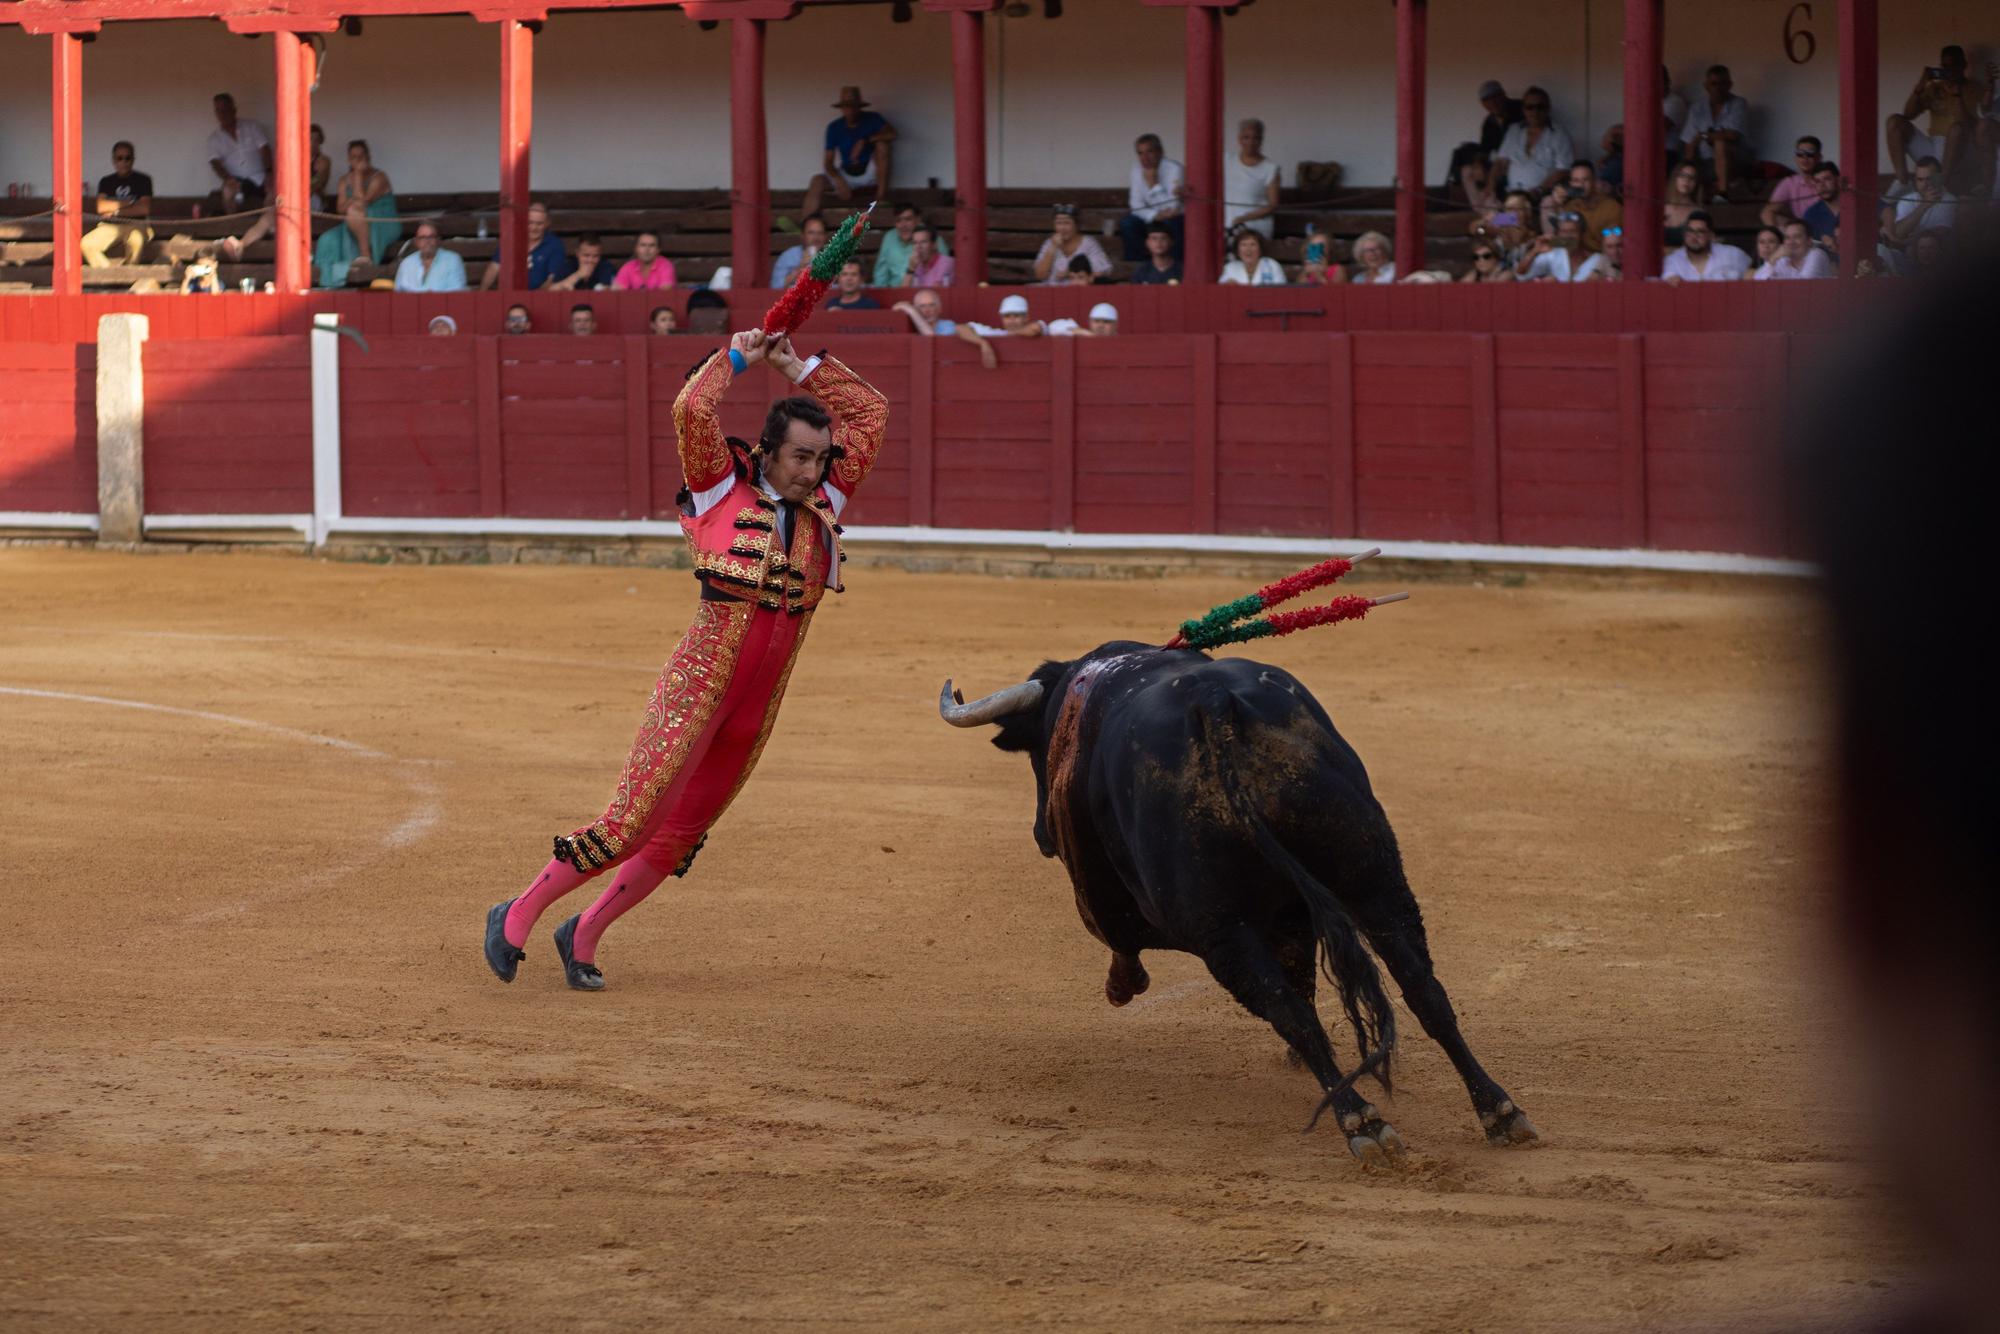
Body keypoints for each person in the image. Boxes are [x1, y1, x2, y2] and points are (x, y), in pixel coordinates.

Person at [483, 327, 889, 991]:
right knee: (629, 826)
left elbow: (869, 413)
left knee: (680, 837)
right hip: (696, 692)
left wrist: (798, 366)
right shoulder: (717, 487)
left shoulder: (825, 503)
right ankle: (517, 912)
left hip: (756, 712)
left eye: (820, 459)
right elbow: (690, 411)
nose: (812, 472)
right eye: (799, 458)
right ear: (768, 452)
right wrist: (738, 357)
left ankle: (582, 935)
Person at [1885, 45, 1983, 190]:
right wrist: (1921, 85)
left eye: (1953, 66)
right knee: (1894, 122)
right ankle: (1903, 182)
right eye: (1944, 66)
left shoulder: (1974, 88)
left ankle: (1940, 185)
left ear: (1963, 65)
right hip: (1934, 145)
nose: (1948, 71)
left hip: (1961, 148)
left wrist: (1956, 96)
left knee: (1957, 128)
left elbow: (1970, 125)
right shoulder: (1935, 88)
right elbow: (1908, 114)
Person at [313, 140, 399, 288]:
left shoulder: (379, 177)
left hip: (381, 222)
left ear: (368, 156)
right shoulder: (344, 180)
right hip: (353, 221)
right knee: (326, 239)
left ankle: (366, 255)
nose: (358, 160)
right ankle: (326, 281)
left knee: (354, 211)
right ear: (348, 159)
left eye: (361, 156)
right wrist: (352, 200)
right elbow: (340, 208)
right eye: (354, 157)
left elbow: (362, 203)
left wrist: (358, 175)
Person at [802, 86, 894, 220]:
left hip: (870, 173)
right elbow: (828, 163)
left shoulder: (873, 118)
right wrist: (838, 180)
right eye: (846, 107)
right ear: (841, 108)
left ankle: (881, 198)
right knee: (817, 181)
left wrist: (867, 140)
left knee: (882, 146)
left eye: (853, 106)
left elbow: (893, 134)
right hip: (847, 174)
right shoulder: (834, 127)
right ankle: (806, 223)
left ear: (860, 107)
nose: (850, 111)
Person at [1680, 64, 1752, 202]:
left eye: (1723, 83)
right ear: (1706, 86)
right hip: (1706, 163)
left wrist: (1702, 136)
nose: (1718, 88)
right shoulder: (1697, 107)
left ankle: (1722, 192)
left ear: (1730, 85)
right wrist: (1689, 169)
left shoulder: (1738, 103)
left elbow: (1732, 135)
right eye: (1714, 83)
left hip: (1736, 161)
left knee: (1720, 143)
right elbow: (1689, 142)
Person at [1878, 156, 1958, 274]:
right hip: (1909, 261)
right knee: (1880, 251)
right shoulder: (1907, 200)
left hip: (1940, 263)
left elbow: (1938, 238)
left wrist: (1902, 240)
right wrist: (1924, 205)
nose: (1924, 184)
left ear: (1939, 178)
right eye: (1920, 180)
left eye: (1929, 179)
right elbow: (1899, 232)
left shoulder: (1950, 200)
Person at [80, 142, 153, 269]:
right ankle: (110, 275)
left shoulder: (143, 180)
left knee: (136, 241)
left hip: (136, 224)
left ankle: (129, 276)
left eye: (127, 158)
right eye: (120, 158)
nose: (124, 162)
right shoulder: (106, 181)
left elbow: (143, 209)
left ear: (133, 160)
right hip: (110, 226)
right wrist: (131, 203)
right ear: (113, 160)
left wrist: (115, 211)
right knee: (86, 244)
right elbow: (101, 207)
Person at [1447, 80, 1524, 201]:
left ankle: (1498, 217)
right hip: (1500, 163)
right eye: (1487, 100)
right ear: (1483, 103)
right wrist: (1478, 164)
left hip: (1522, 163)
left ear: (1503, 95)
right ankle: (1487, 214)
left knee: (1498, 181)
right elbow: (1485, 150)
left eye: (1495, 97)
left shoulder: (1522, 111)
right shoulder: (1489, 122)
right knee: (1468, 171)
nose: (1493, 103)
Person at [1493, 87, 1574, 196]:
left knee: (1544, 209)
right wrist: (1490, 187)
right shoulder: (1514, 130)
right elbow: (1500, 162)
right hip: (1512, 194)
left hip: (1544, 196)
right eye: (1529, 107)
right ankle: (1508, 212)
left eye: (1540, 107)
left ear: (1548, 108)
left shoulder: (1559, 134)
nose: (1535, 111)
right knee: (1490, 209)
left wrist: (1539, 190)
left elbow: (1564, 170)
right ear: (1523, 109)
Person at [479, 201, 571, 292]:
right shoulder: (511, 241)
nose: (534, 227)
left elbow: (552, 279)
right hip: (508, 296)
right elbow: (494, 268)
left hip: (540, 299)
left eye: (539, 224)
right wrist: (481, 295)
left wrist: (532, 299)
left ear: (547, 223)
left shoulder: (555, 245)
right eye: (530, 223)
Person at [1119, 133, 1184, 261]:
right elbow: (1136, 205)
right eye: (1140, 153)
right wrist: (1154, 215)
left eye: (1149, 152)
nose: (1145, 158)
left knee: (1170, 224)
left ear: (1160, 152)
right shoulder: (1136, 169)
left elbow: (1171, 207)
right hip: (1152, 217)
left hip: (1175, 219)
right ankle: (1138, 267)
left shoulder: (1174, 169)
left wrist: (1153, 184)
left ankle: (1175, 267)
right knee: (1127, 223)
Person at [206, 92, 271, 216]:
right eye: (219, 110)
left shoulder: (252, 127)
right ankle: (233, 229)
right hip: (236, 180)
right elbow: (215, 163)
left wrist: (269, 173)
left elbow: (265, 149)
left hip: (260, 177)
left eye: (225, 109)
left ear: (234, 109)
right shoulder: (214, 139)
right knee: (227, 192)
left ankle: (267, 228)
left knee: (275, 191)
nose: (223, 113)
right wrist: (228, 179)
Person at [1224, 118, 1281, 240]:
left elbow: (1272, 205)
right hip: (1227, 224)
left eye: (1256, 138)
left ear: (1261, 140)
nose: (1250, 142)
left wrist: (1244, 218)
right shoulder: (1226, 160)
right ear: (1239, 139)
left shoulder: (1270, 168)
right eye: (1246, 137)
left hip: (1255, 226)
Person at [955, 293, 1044, 370]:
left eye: (1016, 316)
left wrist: (1009, 334)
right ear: (1001, 318)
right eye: (1007, 316)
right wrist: (983, 343)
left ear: (1026, 317)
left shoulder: (1001, 334)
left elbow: (1035, 329)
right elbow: (960, 328)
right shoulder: (996, 333)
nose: (1011, 320)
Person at [1661, 210, 1750, 283]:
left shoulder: (1732, 254)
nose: (1694, 236)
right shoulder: (1672, 261)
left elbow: (1754, 274)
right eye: (1690, 231)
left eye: (1700, 231)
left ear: (1711, 236)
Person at [1033, 205, 1112, 285]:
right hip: (1052, 291)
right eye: (1058, 223)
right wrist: (1053, 247)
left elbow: (1104, 271)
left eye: (1067, 223)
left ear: (1076, 225)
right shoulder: (1049, 243)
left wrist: (1070, 273)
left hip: (1080, 292)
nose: (1062, 228)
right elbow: (1040, 275)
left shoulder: (1088, 243)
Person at [871, 203, 947, 287]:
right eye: (898, 220)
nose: (903, 225)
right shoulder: (889, 237)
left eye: (908, 219)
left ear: (918, 220)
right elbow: (881, 274)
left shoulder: (931, 237)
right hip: (895, 293)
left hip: (924, 292)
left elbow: (944, 270)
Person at [1760, 136, 1826, 228]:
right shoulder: (1790, 183)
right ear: (1795, 158)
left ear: (1819, 157)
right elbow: (1767, 212)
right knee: (1777, 218)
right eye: (1800, 154)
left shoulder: (1826, 180)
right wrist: (1775, 236)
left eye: (1810, 154)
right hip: (1803, 232)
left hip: (1826, 229)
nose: (1804, 157)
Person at [1516, 213, 1596, 281]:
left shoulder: (1597, 259)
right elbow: (1521, 274)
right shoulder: (1553, 254)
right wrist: (1535, 251)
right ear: (1558, 234)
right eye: (1563, 232)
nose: (1568, 236)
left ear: (1581, 234)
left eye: (1573, 231)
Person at [393, 221, 468, 292]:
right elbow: (398, 292)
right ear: (416, 242)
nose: (427, 241)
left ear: (438, 240)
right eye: (422, 237)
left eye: (431, 237)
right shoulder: (406, 263)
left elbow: (457, 291)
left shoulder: (452, 260)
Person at [1564, 161, 1622, 251]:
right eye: (1576, 181)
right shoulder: (1570, 207)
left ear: (1594, 181)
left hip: (1601, 259)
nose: (1581, 185)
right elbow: (1564, 242)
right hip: (1576, 257)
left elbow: (1612, 243)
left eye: (1585, 180)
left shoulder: (1612, 208)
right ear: (1571, 184)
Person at [771, 214, 827, 290]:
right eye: (811, 233)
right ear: (802, 235)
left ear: (825, 236)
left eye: (820, 233)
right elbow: (775, 287)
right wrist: (799, 269)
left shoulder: (833, 257)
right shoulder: (788, 257)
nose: (816, 237)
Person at [1768, 220, 1836, 279]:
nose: (1791, 242)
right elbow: (1761, 280)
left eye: (1797, 237)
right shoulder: (1782, 259)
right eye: (1788, 238)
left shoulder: (1817, 254)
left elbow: (1804, 286)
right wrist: (1772, 260)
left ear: (1809, 241)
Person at [549, 234, 617, 292]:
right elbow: (551, 290)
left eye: (595, 256)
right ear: (577, 253)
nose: (590, 260)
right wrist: (578, 275)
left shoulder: (606, 268)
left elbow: (611, 290)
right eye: (586, 255)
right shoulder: (567, 267)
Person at [1217, 228, 1285, 285]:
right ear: (1237, 250)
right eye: (1243, 245)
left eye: (1253, 244)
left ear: (1260, 249)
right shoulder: (1229, 268)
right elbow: (1220, 293)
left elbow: (1281, 293)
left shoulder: (1272, 265)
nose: (1248, 249)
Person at [610, 231, 676, 291]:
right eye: (643, 245)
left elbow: (665, 293)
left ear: (658, 250)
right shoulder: (628, 267)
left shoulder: (665, 266)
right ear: (636, 249)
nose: (647, 249)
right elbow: (617, 292)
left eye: (652, 245)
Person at [1662, 160, 1703, 248]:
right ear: (1675, 178)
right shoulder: (1661, 207)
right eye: (1682, 176)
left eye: (1691, 178)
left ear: (1696, 184)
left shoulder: (1698, 212)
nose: (1686, 181)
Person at [1802, 161, 1842, 242]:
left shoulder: (1858, 206)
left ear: (1838, 180)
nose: (1822, 185)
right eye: (1817, 181)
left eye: (1827, 179)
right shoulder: (1811, 214)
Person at [1048, 302, 1120, 337]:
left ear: (1115, 325)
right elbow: (1052, 327)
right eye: (1096, 321)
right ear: (1090, 322)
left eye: (1106, 322)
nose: (1100, 325)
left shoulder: (1120, 342)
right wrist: (1082, 332)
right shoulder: (1084, 335)